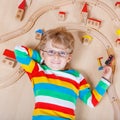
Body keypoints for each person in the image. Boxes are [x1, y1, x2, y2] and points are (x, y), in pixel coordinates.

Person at [14, 27, 112, 120]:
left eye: (62, 53)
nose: (56, 57)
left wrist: (105, 78)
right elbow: (19, 51)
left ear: (68, 58)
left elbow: (91, 102)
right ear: (43, 53)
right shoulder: (37, 70)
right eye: (51, 51)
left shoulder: (76, 77)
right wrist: (43, 58)